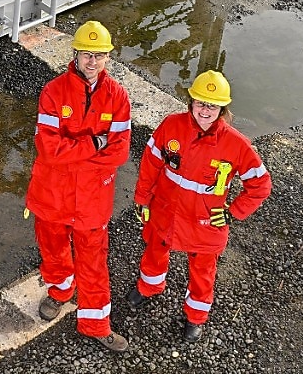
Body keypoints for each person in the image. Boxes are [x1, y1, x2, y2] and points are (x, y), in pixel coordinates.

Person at [126, 70, 271, 341]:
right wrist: (142, 199)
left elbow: (261, 184)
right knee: (155, 251)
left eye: (212, 106)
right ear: (190, 102)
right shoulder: (171, 125)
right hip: (165, 210)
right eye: (201, 103)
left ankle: (195, 316)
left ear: (222, 109)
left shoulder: (237, 144)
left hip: (204, 221)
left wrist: (232, 212)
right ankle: (149, 288)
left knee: (203, 272)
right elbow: (150, 163)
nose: (205, 111)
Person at [24, 20, 132, 352]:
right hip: (52, 194)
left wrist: (77, 153)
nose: (93, 62)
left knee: (93, 262)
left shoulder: (118, 97)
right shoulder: (53, 92)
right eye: (87, 54)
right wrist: (94, 145)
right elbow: (49, 150)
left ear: (107, 58)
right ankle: (60, 291)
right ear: (76, 54)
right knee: (53, 251)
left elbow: (119, 151)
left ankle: (96, 324)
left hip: (91, 199)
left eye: (99, 56)